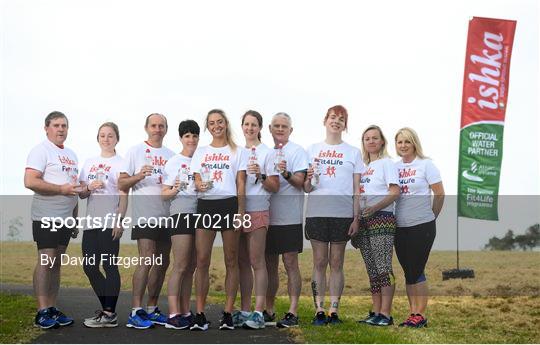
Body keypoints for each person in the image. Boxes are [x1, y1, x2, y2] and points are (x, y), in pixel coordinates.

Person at [189, 109, 247, 331]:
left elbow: (241, 183)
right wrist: (199, 185)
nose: (216, 126)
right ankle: (200, 314)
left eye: (220, 122)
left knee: (231, 259)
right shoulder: (201, 151)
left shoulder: (237, 150)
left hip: (229, 204)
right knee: (202, 260)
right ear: (208, 127)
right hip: (206, 205)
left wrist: (241, 211)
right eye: (212, 123)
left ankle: (228, 313)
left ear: (226, 124)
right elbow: (196, 180)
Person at [304, 105, 362, 325]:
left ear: (345, 125)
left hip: (342, 214)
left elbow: (357, 189)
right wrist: (308, 179)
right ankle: (318, 309)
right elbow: (307, 188)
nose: (336, 121)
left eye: (341, 119)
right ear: (325, 120)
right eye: (332, 117)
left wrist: (356, 218)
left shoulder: (353, 152)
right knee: (319, 261)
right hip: (317, 212)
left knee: (337, 262)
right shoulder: (311, 149)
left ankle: (334, 309)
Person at [118, 113, 175, 329]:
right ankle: (136, 310)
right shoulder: (135, 151)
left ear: (166, 129)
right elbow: (122, 183)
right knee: (147, 259)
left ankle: (151, 308)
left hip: (167, 216)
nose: (157, 129)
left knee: (163, 262)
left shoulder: (172, 155)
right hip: (145, 215)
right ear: (146, 128)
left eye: (161, 125)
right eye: (154, 125)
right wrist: (139, 176)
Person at [24, 111, 78, 329]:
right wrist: (60, 189)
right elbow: (30, 181)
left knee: (56, 264)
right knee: (46, 261)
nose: (61, 129)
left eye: (64, 125)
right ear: (46, 128)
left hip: (66, 218)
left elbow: (72, 189)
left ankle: (53, 308)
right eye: (56, 125)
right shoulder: (40, 151)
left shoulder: (72, 154)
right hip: (46, 216)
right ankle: (42, 310)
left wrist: (75, 218)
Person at [394, 127, 444, 328]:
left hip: (422, 225)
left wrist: (432, 217)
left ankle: (420, 315)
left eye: (407, 141)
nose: (403, 145)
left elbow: (439, 194)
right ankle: (412, 313)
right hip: (400, 227)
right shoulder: (394, 167)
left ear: (414, 143)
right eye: (399, 142)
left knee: (417, 269)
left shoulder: (426, 165)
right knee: (408, 271)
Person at [78, 122, 127, 328]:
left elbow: (124, 195)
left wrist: (119, 220)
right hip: (91, 222)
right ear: (97, 138)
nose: (106, 139)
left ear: (117, 138)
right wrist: (89, 186)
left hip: (109, 222)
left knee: (109, 265)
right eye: (102, 135)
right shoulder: (89, 162)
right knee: (89, 266)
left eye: (110, 135)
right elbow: (81, 193)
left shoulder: (122, 163)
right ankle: (108, 310)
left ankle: (108, 313)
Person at [234, 110, 279, 329]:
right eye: (246, 124)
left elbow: (275, 186)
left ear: (260, 128)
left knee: (256, 261)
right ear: (241, 126)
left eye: (254, 124)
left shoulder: (268, 153)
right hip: (236, 212)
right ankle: (244, 311)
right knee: (241, 262)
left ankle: (259, 312)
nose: (250, 128)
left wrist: (261, 175)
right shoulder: (236, 152)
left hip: (258, 209)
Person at [353, 124, 400, 327]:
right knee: (372, 269)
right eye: (367, 138)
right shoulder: (363, 167)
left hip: (382, 217)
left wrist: (375, 207)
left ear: (382, 141)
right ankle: (376, 311)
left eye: (375, 138)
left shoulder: (386, 163)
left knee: (383, 267)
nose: (371, 141)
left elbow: (395, 191)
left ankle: (386, 313)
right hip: (364, 220)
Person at [266, 112, 308, 328]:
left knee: (290, 263)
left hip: (290, 217)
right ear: (270, 129)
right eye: (276, 126)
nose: (280, 129)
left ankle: (293, 311)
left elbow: (301, 182)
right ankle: (269, 309)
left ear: (291, 130)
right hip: (266, 216)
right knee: (269, 266)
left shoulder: (297, 151)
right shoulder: (264, 152)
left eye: (284, 126)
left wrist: (285, 174)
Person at [161, 120, 200, 329]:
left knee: (192, 266)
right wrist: (176, 188)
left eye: (194, 136)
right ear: (181, 138)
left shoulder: (202, 159)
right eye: (187, 136)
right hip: (181, 213)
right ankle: (173, 312)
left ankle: (185, 311)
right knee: (181, 265)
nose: (191, 140)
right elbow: (164, 193)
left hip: (200, 214)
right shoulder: (174, 162)